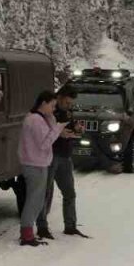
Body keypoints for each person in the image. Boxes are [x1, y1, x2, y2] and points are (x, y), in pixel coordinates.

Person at [37, 84, 87, 239]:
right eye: (67, 102)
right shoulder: (49, 111)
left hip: (65, 156)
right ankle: (42, 227)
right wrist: (60, 134)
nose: (69, 106)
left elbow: (71, 128)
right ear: (59, 97)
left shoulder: (68, 112)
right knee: (45, 192)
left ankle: (70, 226)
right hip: (50, 155)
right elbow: (42, 132)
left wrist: (77, 129)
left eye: (71, 104)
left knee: (69, 193)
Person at [18, 91, 67, 246]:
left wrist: (52, 121)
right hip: (35, 164)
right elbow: (45, 143)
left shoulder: (38, 119)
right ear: (44, 103)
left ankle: (28, 233)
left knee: (38, 201)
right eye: (52, 106)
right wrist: (58, 128)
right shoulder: (35, 120)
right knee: (34, 201)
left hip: (37, 163)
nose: (53, 109)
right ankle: (26, 235)